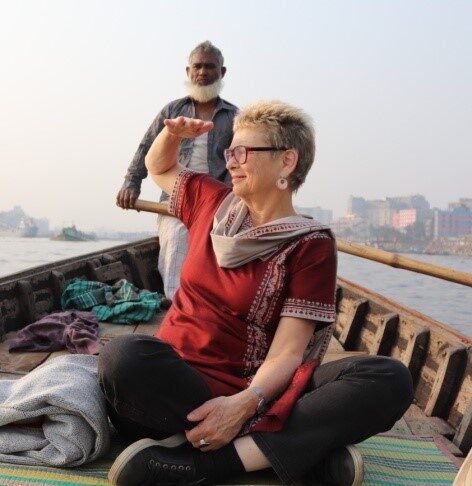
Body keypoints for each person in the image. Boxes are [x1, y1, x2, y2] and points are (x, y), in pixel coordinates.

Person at [100, 101, 414, 486]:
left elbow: (287, 352)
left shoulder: (309, 245)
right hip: (178, 385)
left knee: (387, 377)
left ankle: (200, 464)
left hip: (258, 389)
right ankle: (292, 451)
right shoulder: (211, 202)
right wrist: (173, 134)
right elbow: (159, 167)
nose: (230, 161)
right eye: (229, 151)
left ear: (286, 162)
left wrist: (242, 404)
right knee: (123, 357)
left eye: (243, 152)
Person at [116, 40, 237, 299]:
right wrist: (131, 183)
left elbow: (245, 161)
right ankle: (175, 305)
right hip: (175, 200)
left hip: (219, 202)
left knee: (229, 250)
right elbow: (146, 147)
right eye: (197, 66)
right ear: (188, 72)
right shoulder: (173, 111)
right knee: (177, 239)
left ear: (222, 72)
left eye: (210, 66)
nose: (203, 72)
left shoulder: (235, 116)